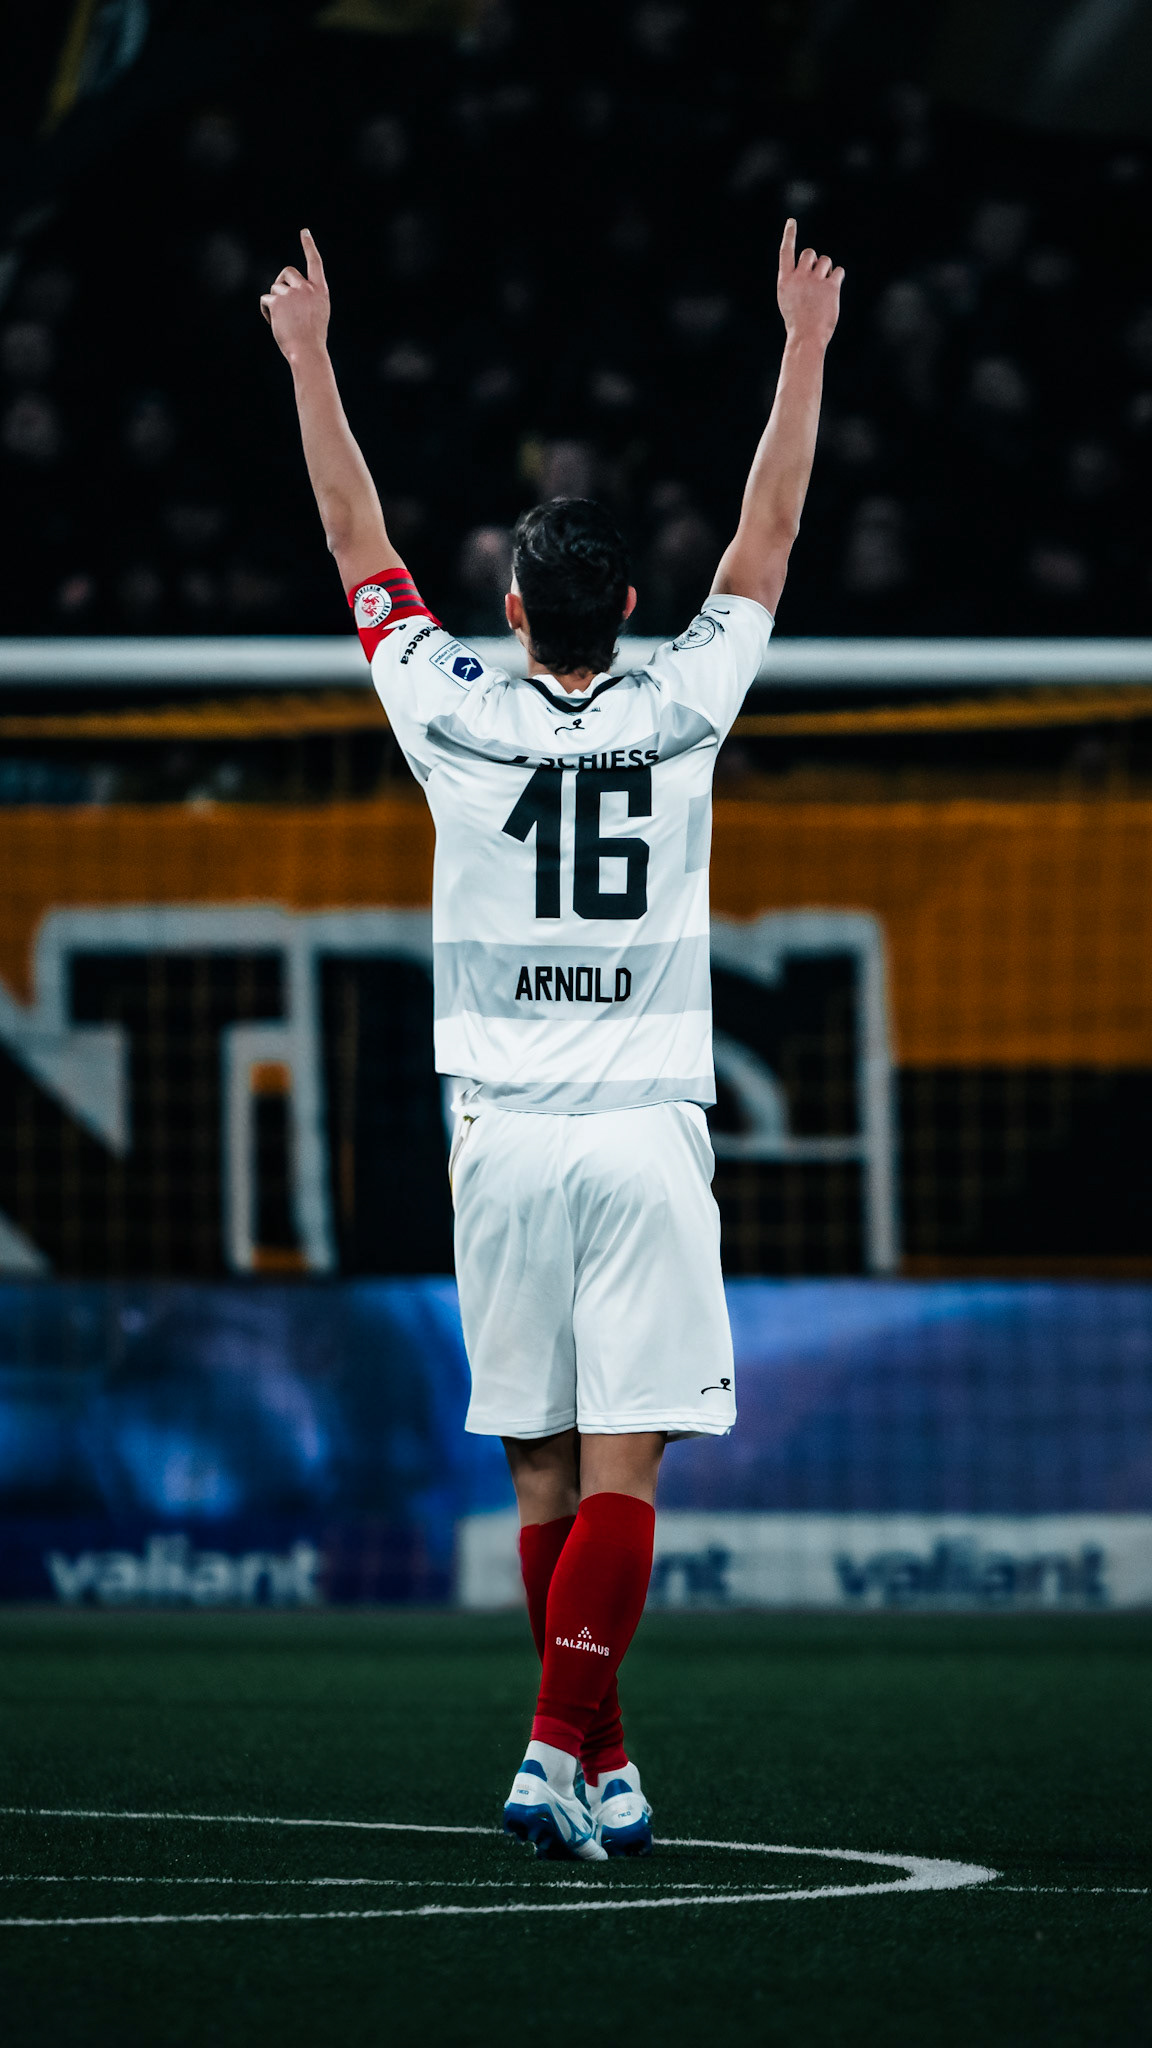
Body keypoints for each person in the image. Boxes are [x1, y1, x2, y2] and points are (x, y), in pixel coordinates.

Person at [261, 219, 843, 1860]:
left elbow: (350, 530)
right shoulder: (685, 705)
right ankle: (556, 1753)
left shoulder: (449, 703)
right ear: (637, 606)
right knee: (627, 1478)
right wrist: (801, 348)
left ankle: (601, 1767)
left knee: (540, 1481)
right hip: (646, 1127)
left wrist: (309, 355)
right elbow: (775, 529)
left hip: (498, 1140)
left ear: (513, 607)